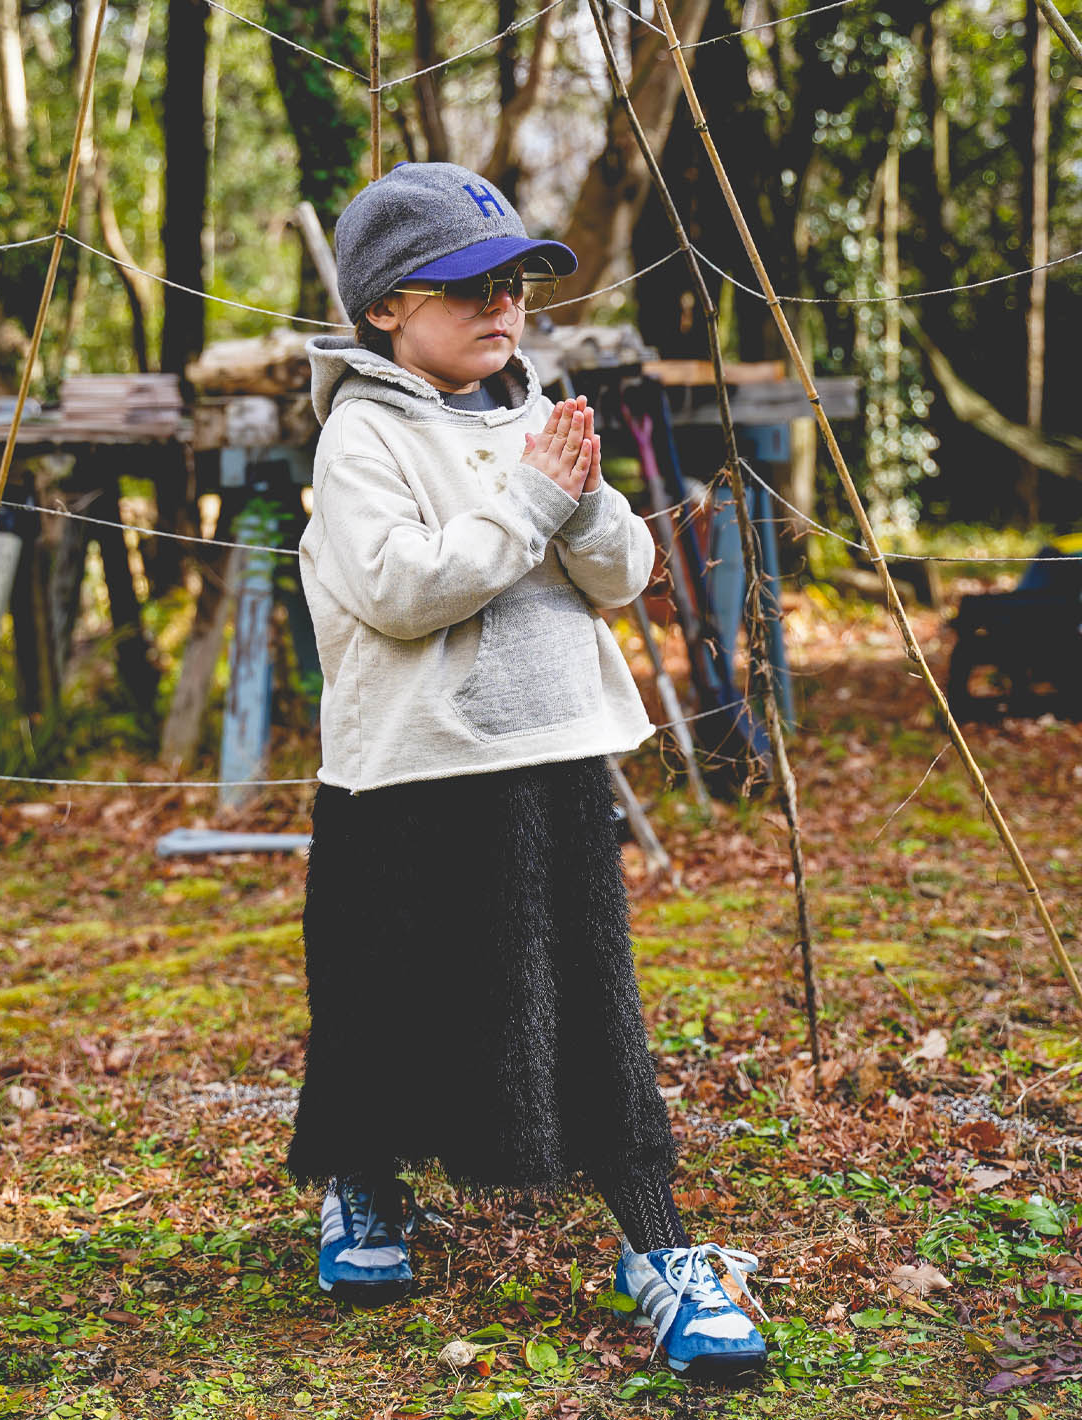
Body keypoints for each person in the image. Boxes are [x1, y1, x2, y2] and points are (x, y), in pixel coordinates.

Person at [286, 161, 766, 1379]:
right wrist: (533, 505)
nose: (501, 308)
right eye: (465, 288)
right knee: (386, 991)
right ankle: (366, 1180)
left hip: (552, 758)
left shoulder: (530, 411)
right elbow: (400, 592)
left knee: (588, 1000)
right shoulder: (360, 435)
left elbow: (617, 574)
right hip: (405, 775)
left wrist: (581, 495)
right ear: (386, 307)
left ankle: (653, 1241)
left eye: (513, 285)